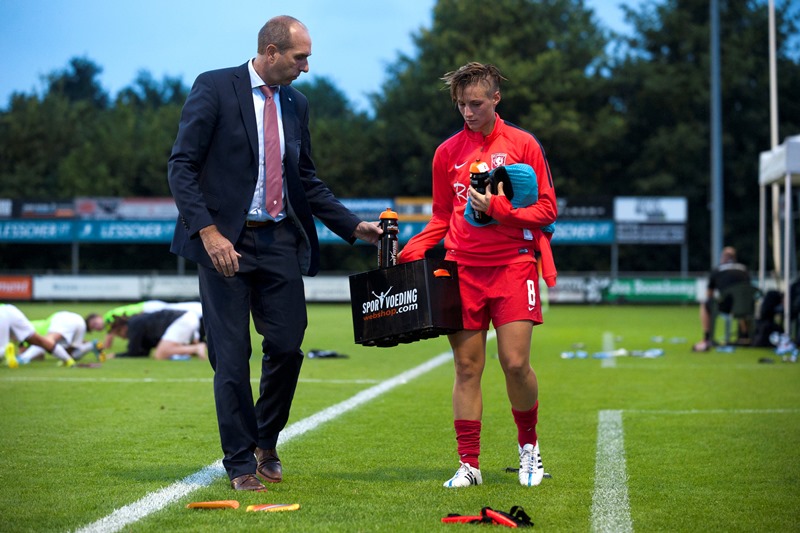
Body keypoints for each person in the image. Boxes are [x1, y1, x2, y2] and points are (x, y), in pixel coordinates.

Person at [167, 15, 381, 492]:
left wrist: (352, 225)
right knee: (231, 355)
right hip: (224, 243)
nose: (306, 67)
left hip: (280, 240)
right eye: (299, 57)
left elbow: (306, 179)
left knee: (287, 346)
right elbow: (181, 165)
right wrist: (208, 231)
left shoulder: (297, 104)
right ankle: (240, 462)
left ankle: (267, 441)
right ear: (270, 50)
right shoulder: (215, 87)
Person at [397, 62, 557, 488]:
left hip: (513, 266)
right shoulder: (446, 152)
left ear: (495, 99)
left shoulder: (523, 144)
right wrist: (412, 250)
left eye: (476, 103)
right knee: (467, 368)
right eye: (461, 105)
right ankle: (469, 464)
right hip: (462, 270)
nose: (468, 112)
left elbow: (547, 210)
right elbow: (440, 216)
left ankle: (529, 449)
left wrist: (499, 210)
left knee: (515, 363)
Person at [692, 246, 753, 352]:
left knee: (705, 304)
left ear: (723, 258)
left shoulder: (717, 270)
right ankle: (745, 335)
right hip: (745, 306)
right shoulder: (744, 269)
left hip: (727, 305)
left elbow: (709, 295)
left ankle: (707, 337)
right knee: (743, 303)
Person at [1, 304, 85, 368]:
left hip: (2, 314)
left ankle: (18, 357)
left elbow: (24, 347)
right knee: (43, 342)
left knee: (2, 352)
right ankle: (68, 360)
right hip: (11, 309)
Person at [106, 309, 206, 360]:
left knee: (160, 354)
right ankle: (194, 348)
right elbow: (143, 352)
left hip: (182, 320)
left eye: (119, 334)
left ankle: (196, 348)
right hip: (187, 318)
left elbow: (134, 351)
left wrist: (115, 355)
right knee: (165, 350)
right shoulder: (137, 322)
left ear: (123, 328)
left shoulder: (133, 325)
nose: (123, 338)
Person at [14, 311, 106, 365]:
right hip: (67, 319)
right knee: (68, 352)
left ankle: (23, 358)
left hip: (61, 316)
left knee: (47, 342)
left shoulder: (27, 328)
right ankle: (90, 346)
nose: (97, 326)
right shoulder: (80, 323)